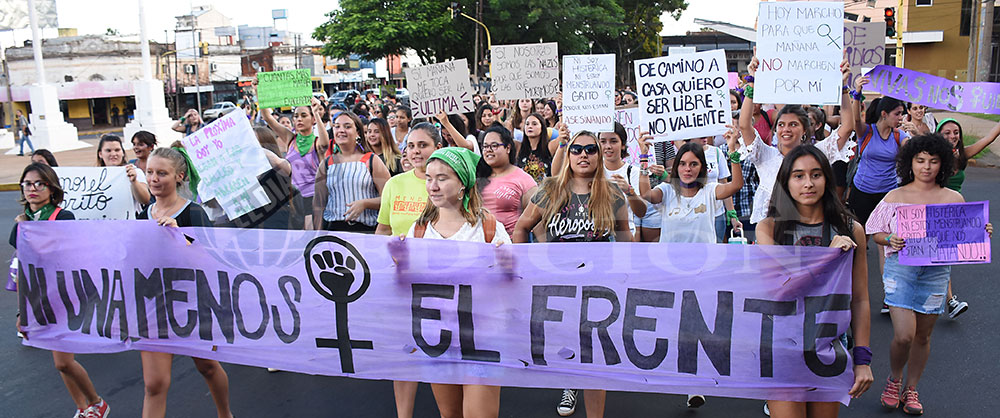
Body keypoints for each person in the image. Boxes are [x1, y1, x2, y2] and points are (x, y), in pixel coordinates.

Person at [866, 134, 991, 416]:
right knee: (904, 335)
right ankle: (894, 380)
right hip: (901, 271)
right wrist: (890, 240)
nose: (926, 166)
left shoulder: (953, 198)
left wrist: (982, 232)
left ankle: (912, 388)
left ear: (943, 164)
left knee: (923, 335)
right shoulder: (895, 197)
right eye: (920, 160)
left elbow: (965, 233)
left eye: (933, 161)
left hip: (936, 274)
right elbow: (875, 232)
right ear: (909, 162)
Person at [513, 130, 631, 418]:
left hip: (599, 287)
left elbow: (625, 236)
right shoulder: (551, 189)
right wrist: (527, 265)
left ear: (599, 155)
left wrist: (626, 273)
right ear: (568, 154)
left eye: (591, 149)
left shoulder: (612, 193)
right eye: (577, 149)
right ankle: (569, 383)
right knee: (567, 343)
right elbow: (521, 227)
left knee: (594, 354)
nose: (583, 155)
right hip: (558, 285)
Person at [756, 145, 874, 418]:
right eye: (798, 176)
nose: (808, 183)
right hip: (782, 347)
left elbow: (859, 298)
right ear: (786, 182)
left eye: (816, 174)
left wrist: (863, 359)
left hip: (829, 349)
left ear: (828, 180)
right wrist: (828, 257)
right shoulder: (770, 228)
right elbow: (779, 290)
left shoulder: (851, 229)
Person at [401, 147, 510, 418]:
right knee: (450, 415)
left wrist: (507, 265)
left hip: (481, 339)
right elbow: (404, 286)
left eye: (442, 178)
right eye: (428, 178)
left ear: (463, 183)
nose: (433, 186)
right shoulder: (418, 230)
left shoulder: (488, 228)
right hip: (437, 339)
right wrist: (398, 264)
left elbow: (512, 282)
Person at [138, 143, 233, 418]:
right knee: (154, 384)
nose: (154, 179)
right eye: (150, 172)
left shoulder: (194, 213)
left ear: (179, 176)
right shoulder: (143, 214)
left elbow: (212, 261)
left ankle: (225, 414)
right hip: (154, 304)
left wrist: (180, 237)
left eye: (162, 173)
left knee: (207, 367)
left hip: (192, 303)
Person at [9, 163, 111, 418]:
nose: (32, 189)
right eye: (27, 184)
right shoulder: (21, 223)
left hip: (63, 297)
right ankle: (83, 407)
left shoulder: (63, 218)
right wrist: (23, 312)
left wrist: (29, 231)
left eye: (39, 184)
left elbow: (62, 256)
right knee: (61, 364)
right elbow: (22, 269)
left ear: (51, 188)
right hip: (38, 299)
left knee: (63, 361)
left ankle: (97, 404)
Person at [737, 54, 854, 226]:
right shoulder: (764, 155)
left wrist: (843, 86)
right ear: (775, 129)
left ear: (805, 130)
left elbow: (847, 127)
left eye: (793, 124)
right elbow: (745, 126)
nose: (786, 129)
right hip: (770, 230)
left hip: (809, 227)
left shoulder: (818, 153)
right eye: (781, 125)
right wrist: (752, 82)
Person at [376, 122, 443, 418]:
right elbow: (384, 228)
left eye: (423, 145)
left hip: (438, 280)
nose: (416, 151)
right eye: (412, 146)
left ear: (437, 148)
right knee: (404, 349)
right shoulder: (394, 184)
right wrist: (377, 262)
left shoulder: (448, 183)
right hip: (400, 280)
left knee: (441, 350)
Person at [933, 118, 1000, 318]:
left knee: (944, 254)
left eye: (956, 132)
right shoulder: (931, 157)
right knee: (938, 254)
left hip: (957, 210)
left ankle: (948, 300)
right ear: (938, 135)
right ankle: (949, 300)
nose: (953, 136)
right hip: (935, 209)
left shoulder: (963, 154)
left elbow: (990, 137)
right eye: (947, 133)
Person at [313, 111, 390, 232]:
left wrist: (365, 203)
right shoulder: (327, 163)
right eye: (337, 126)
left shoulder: (371, 160)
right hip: (334, 231)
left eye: (347, 126)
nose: (341, 130)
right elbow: (319, 202)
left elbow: (389, 198)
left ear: (358, 132)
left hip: (365, 231)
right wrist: (316, 233)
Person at [849, 77, 910, 226]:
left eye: (902, 113)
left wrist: (916, 135)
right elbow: (855, 120)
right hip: (862, 190)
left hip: (888, 193)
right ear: (884, 114)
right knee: (860, 232)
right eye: (897, 113)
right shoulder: (867, 131)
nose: (900, 117)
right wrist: (857, 93)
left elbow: (913, 150)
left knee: (885, 234)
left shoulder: (899, 135)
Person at [262, 98, 330, 229]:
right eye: (296, 116)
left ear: (313, 119)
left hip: (313, 200)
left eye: (304, 115)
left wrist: (316, 112)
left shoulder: (317, 142)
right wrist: (258, 92)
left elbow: (325, 143)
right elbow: (267, 117)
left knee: (310, 240)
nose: (299, 119)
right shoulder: (290, 139)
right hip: (293, 199)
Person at [477, 126, 537, 235]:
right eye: (485, 146)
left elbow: (536, 219)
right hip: (480, 244)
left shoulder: (524, 180)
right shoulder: (477, 175)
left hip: (510, 245)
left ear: (508, 148)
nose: (488, 150)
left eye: (494, 145)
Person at [96, 134, 152, 211]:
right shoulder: (94, 177)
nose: (113, 154)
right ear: (100, 154)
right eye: (108, 150)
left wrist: (134, 182)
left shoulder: (135, 172)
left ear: (122, 153)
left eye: (117, 150)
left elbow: (145, 200)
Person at [515, 113, 557, 183]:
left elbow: (561, 139)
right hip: (524, 191)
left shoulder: (549, 146)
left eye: (534, 124)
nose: (530, 126)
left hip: (544, 191)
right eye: (527, 124)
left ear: (542, 127)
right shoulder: (518, 146)